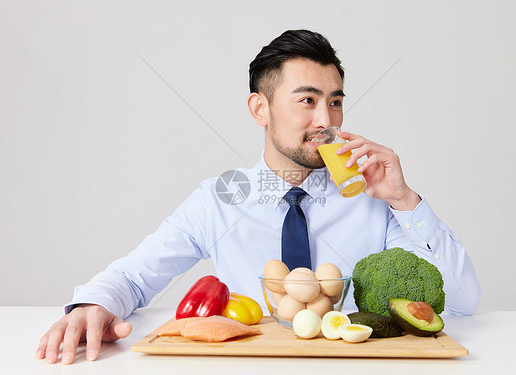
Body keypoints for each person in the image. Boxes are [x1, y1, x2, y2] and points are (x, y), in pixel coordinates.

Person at [36, 30, 481, 365]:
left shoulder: (374, 198)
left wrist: (405, 200)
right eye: (306, 100)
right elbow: (134, 277)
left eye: (335, 101)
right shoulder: (220, 199)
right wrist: (94, 304)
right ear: (260, 109)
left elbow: (462, 300)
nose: (326, 120)